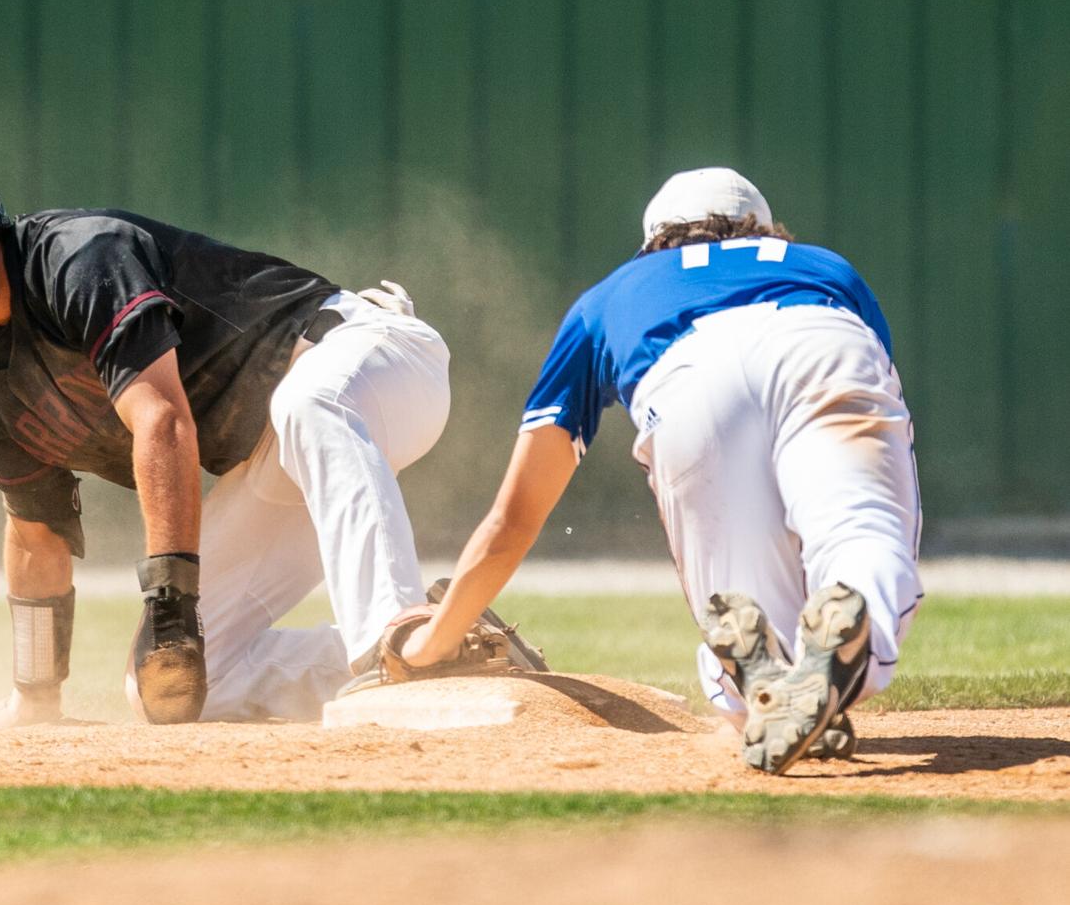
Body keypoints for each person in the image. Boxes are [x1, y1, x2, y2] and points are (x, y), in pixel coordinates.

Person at [0, 146, 452, 728]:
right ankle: (450, 647)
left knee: (307, 401)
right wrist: (36, 696)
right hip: (280, 456)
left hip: (365, 359)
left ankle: (397, 634)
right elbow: (35, 532)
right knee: (165, 689)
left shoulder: (77, 259)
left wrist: (171, 603)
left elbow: (161, 421)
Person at [388, 168, 922, 775]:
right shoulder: (823, 266)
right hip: (821, 341)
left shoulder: (612, 296)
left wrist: (432, 643)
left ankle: (768, 693)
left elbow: (512, 519)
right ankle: (848, 621)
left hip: (686, 379)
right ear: (764, 229)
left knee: (741, 636)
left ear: (653, 242)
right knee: (859, 530)